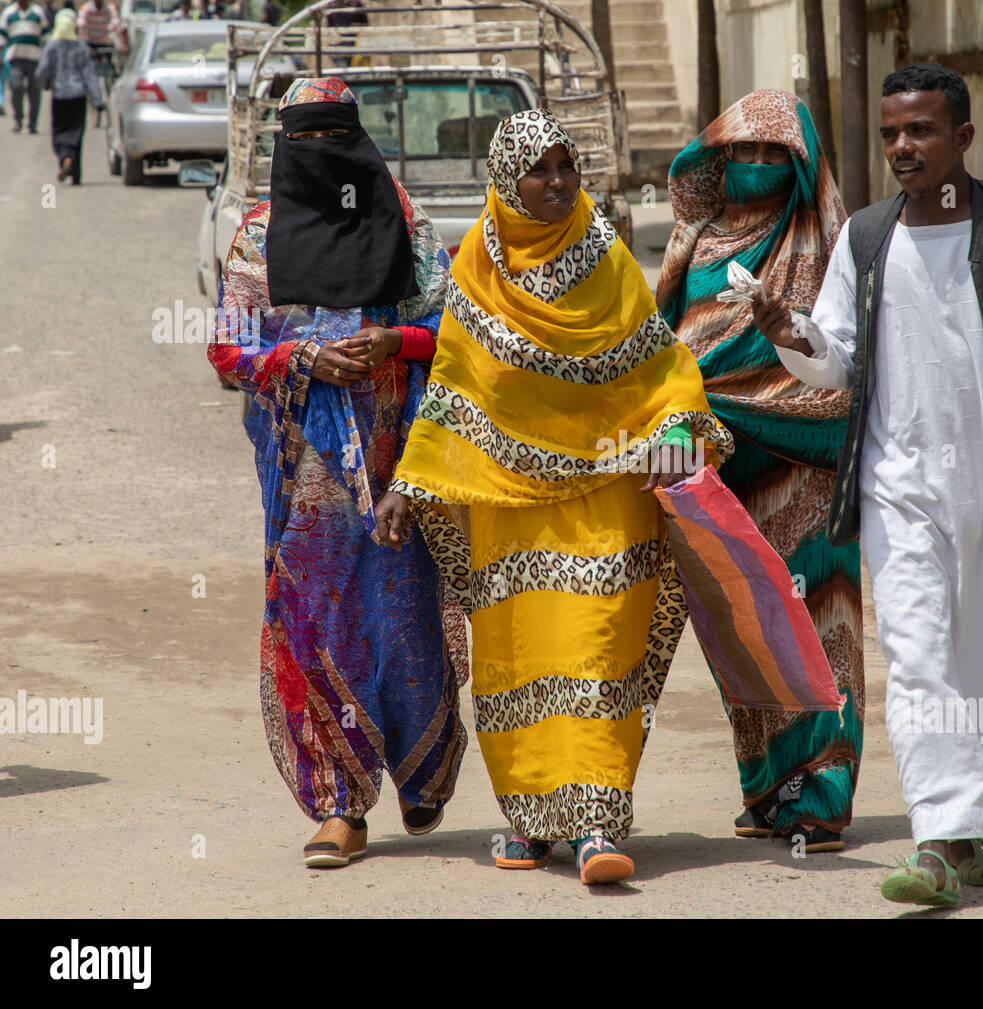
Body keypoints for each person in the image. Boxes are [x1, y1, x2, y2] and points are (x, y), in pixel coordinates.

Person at [754, 63, 983, 907]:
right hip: (896, 478)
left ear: (962, 137)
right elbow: (833, 356)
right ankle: (935, 842)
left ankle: (971, 833)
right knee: (916, 653)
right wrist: (788, 333)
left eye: (918, 131)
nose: (901, 148)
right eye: (888, 134)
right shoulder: (868, 236)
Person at [373, 108, 733, 886]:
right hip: (507, 506)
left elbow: (661, 362)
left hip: (608, 491)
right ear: (507, 177)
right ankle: (531, 819)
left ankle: (599, 820)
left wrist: (678, 425)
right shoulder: (477, 266)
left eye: (567, 166)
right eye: (540, 169)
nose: (558, 182)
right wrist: (408, 481)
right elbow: (454, 388)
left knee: (598, 649)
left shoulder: (606, 259)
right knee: (519, 660)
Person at [207, 77, 466, 869]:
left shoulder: (407, 222)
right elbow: (227, 346)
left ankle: (424, 770)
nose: (321, 153)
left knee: (405, 612)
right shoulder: (258, 233)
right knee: (313, 620)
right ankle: (339, 803)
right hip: (304, 468)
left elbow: (454, 330)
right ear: (285, 145)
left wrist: (397, 347)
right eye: (305, 138)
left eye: (335, 135)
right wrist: (300, 355)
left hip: (402, 459)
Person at [656, 89, 866, 853]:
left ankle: (823, 791)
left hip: (807, 469)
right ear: (718, 158)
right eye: (741, 153)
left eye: (774, 154)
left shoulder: (832, 243)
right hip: (723, 468)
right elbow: (664, 341)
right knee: (743, 627)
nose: (755, 166)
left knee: (820, 626)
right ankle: (766, 786)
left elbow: (843, 361)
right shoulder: (695, 239)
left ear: (801, 164)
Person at [36, 9, 100, 183]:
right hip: (78, 96)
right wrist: (97, 99)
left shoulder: (52, 45)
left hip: (60, 96)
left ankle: (65, 158)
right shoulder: (80, 46)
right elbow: (89, 74)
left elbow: (42, 71)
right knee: (76, 133)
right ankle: (75, 172)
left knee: (60, 131)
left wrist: (45, 84)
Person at [1, 0, 49, 133]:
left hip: (35, 57)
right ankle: (18, 119)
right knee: (16, 86)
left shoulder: (38, 12)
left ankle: (33, 123)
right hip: (15, 57)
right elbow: (2, 36)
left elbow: (45, 35)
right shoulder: (9, 13)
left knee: (34, 91)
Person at [74, 0, 117, 124]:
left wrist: (118, 40)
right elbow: (81, 26)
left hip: (106, 44)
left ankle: (110, 100)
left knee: (110, 74)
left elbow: (116, 24)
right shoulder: (86, 9)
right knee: (89, 75)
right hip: (91, 44)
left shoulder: (110, 8)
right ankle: (93, 103)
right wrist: (84, 44)